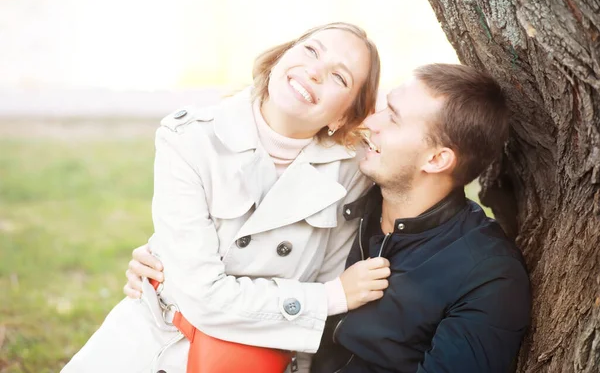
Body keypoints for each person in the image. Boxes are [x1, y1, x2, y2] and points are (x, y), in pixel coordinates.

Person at [130, 64, 532, 372]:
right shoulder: (338, 196)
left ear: (437, 159)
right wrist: (166, 260)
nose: (370, 122)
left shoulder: (487, 276)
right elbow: (231, 248)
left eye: (392, 117)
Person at [62, 22, 390, 373]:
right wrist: (331, 297)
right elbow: (204, 297)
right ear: (282, 56)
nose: (314, 72)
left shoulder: (352, 172)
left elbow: (322, 297)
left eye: (340, 77)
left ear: (344, 115)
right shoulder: (189, 138)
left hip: (259, 358)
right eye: (311, 50)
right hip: (157, 341)